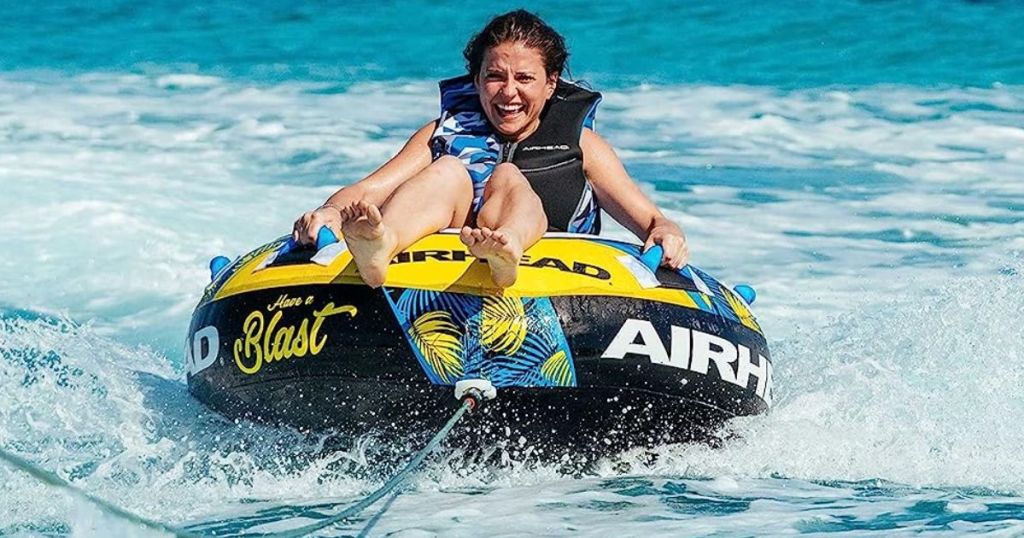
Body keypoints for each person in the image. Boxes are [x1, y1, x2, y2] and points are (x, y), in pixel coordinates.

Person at [293, 9, 688, 288]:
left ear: (551, 84)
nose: (509, 92)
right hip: (439, 272)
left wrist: (668, 233)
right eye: (495, 77)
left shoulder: (583, 145)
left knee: (507, 176)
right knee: (447, 169)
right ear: (477, 80)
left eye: (525, 78)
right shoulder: (442, 133)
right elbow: (364, 192)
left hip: (553, 274)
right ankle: (383, 245)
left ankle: (508, 247)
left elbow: (652, 222)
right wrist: (331, 210)